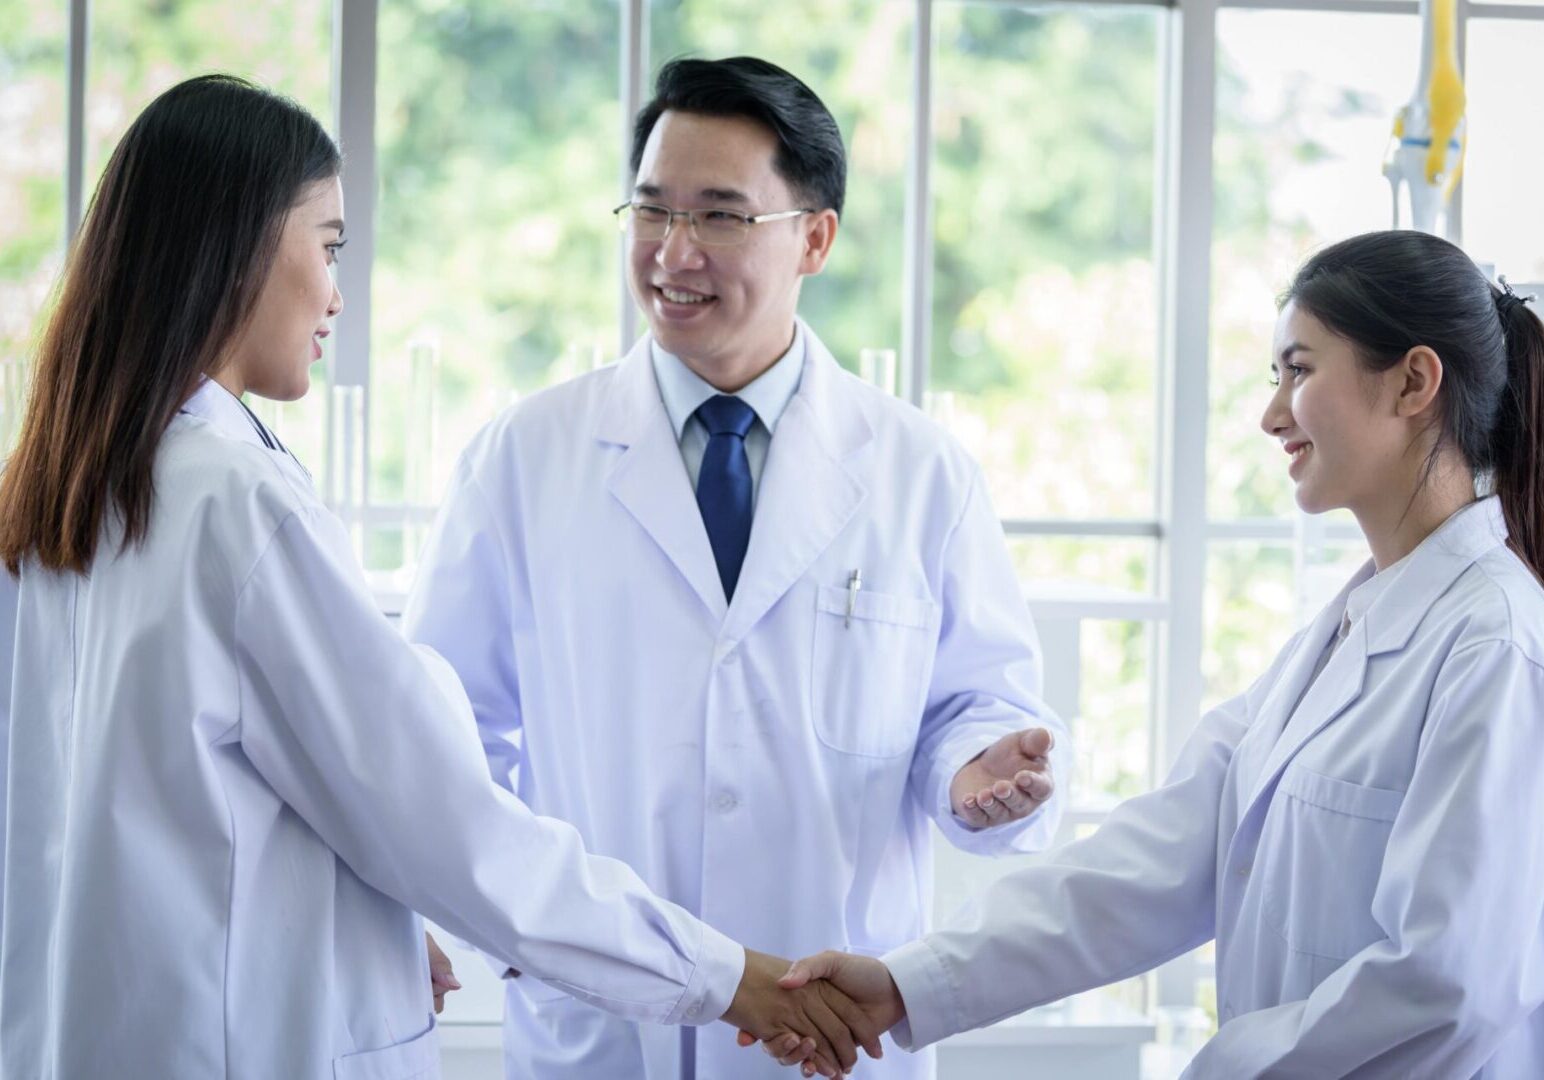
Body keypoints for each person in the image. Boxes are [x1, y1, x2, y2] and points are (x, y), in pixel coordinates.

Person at [0, 74, 880, 1080]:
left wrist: (379, 894)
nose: (338, 292)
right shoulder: (234, 507)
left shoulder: (50, 497)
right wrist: (730, 977)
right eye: (327, 247)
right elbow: (450, 826)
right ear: (236, 245)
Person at [404, 55, 1069, 1080]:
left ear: (814, 237)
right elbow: (443, 737)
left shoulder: (916, 470)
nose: (673, 252)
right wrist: (513, 942)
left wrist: (975, 772)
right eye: (649, 211)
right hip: (602, 1031)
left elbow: (972, 705)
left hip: (831, 1031)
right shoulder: (523, 458)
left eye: (719, 216)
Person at [772, 230, 1544, 1079]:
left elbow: (1447, 988)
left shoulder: (1494, 646)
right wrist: (905, 985)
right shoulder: (1339, 637)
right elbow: (1148, 865)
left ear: (1414, 382)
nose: (1272, 413)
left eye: (1300, 370)